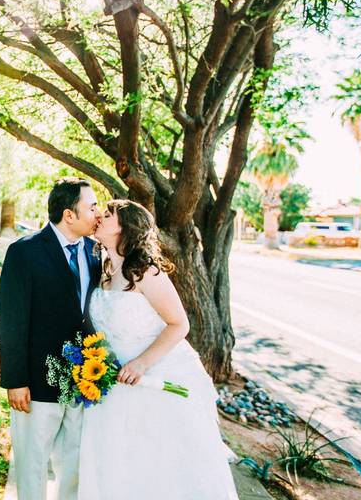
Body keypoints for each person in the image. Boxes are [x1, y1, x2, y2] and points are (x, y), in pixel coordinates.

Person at [78, 199, 238, 499]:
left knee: (159, 466)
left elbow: (179, 324)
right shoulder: (103, 267)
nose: (99, 216)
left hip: (153, 375)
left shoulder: (145, 272)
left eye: (108, 213)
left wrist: (141, 364)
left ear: (125, 227)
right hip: (114, 382)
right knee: (116, 462)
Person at [0, 177, 102, 500]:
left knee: (74, 466)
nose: (98, 213)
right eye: (92, 207)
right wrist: (15, 380)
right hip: (36, 386)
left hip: (81, 384)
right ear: (69, 215)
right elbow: (9, 317)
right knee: (32, 465)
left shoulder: (95, 253)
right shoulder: (24, 253)